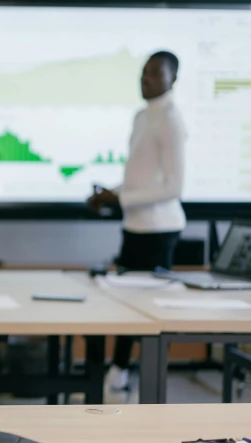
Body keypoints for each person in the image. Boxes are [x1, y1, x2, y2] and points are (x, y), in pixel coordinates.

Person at [88, 51, 186, 403]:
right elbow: (140, 176)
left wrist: (120, 200)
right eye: (143, 72)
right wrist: (110, 194)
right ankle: (117, 378)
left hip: (160, 230)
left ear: (172, 78)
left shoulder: (172, 120)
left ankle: (133, 384)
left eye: (155, 73)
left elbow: (174, 188)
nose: (146, 78)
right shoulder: (142, 116)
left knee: (149, 313)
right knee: (126, 305)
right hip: (136, 225)